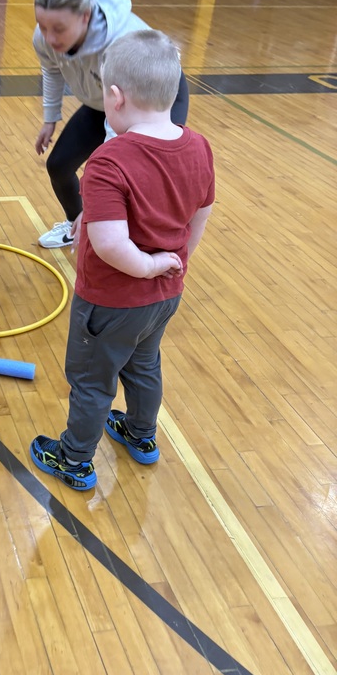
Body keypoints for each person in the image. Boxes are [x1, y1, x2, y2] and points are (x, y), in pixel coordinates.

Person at [30, 29, 214, 490]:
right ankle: (141, 435)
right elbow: (199, 211)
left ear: (114, 98)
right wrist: (170, 262)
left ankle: (74, 459)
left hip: (111, 301)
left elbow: (112, 246)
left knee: (92, 381)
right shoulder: (198, 147)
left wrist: (147, 264)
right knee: (144, 364)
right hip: (164, 296)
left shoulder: (109, 160)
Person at [32, 0, 190, 248]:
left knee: (129, 177)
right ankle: (75, 224)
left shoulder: (120, 45)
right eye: (42, 26)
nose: (49, 37)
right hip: (105, 100)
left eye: (58, 29)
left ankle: (141, 245)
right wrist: (50, 117)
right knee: (59, 165)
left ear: (84, 17)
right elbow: (52, 68)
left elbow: (114, 139)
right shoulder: (44, 39)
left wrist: (98, 206)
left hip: (157, 97)